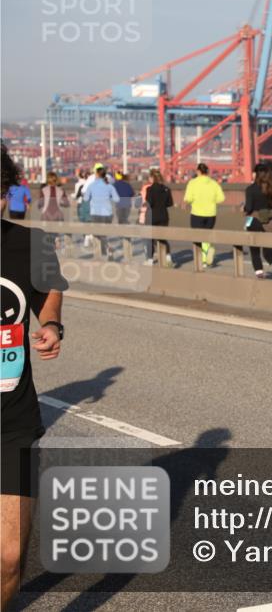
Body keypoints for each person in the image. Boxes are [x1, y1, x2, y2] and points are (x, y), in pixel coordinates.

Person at [1, 144, 68, 609]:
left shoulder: (34, 243)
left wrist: (51, 325)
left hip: (12, 421)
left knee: (8, 559)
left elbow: (50, 292)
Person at [183, 163, 225, 267]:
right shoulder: (214, 183)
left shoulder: (193, 183)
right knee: (206, 236)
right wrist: (211, 201)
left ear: (198, 171)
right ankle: (206, 257)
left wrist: (187, 202)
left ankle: (204, 258)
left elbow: (188, 198)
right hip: (211, 214)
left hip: (197, 213)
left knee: (197, 238)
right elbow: (221, 198)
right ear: (207, 172)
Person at [244, 163, 272, 278]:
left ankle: (259, 273)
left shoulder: (250, 189)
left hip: (254, 221)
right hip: (269, 222)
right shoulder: (271, 189)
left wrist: (244, 208)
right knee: (268, 251)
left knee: (255, 251)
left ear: (256, 174)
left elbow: (249, 208)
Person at [83, 166, 120, 258]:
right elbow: (117, 199)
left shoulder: (91, 185)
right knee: (103, 233)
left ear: (97, 175)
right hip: (107, 213)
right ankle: (106, 250)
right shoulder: (109, 186)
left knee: (97, 234)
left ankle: (102, 252)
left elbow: (85, 198)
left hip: (95, 213)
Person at [142, 169, 174, 267]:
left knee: (150, 239)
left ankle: (150, 260)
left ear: (152, 178)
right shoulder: (166, 189)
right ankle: (168, 258)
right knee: (162, 238)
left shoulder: (149, 189)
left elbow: (149, 203)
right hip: (164, 216)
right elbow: (170, 203)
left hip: (152, 216)